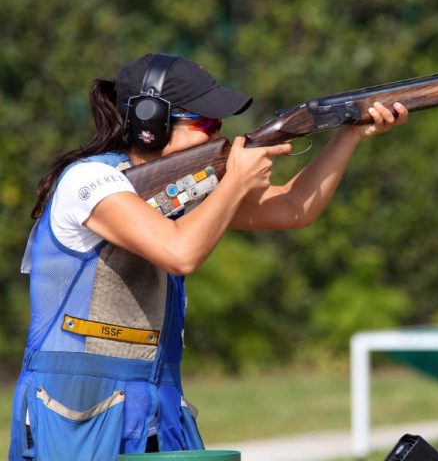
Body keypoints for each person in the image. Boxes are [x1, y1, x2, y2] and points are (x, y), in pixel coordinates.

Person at [9, 53, 408, 460]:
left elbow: (294, 208)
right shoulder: (88, 180)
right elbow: (179, 253)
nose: (216, 136)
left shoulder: (177, 190)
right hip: (75, 418)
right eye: (205, 124)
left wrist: (349, 135)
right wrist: (235, 182)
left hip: (153, 409)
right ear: (151, 123)